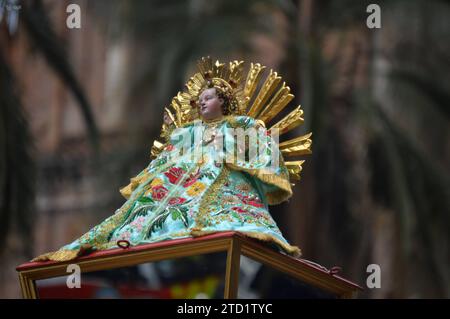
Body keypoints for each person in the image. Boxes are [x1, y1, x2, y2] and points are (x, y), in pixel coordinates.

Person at [32, 57, 311, 262]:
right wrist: (170, 133)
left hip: (223, 184)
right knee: (149, 211)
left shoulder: (241, 124)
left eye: (209, 98)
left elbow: (262, 147)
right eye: (200, 99)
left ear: (223, 102)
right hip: (181, 187)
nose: (201, 103)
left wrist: (231, 153)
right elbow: (170, 156)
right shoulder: (189, 131)